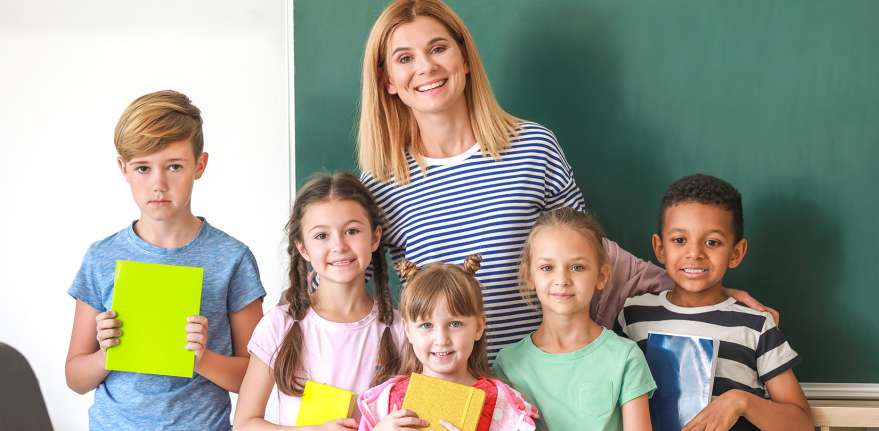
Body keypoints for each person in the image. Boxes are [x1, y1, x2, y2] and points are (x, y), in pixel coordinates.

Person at [355, 0, 777, 360]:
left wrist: (700, 292)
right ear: (388, 80)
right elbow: (342, 289)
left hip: (547, 379)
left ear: (464, 58)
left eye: (438, 48)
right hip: (451, 394)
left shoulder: (531, 146)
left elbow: (592, 254)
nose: (426, 67)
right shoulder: (382, 178)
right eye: (405, 58)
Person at [64, 90, 266, 430]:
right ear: (123, 168)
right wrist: (108, 354)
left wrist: (201, 359)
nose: (158, 184)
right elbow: (75, 377)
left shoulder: (233, 259)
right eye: (143, 168)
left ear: (199, 165)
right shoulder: (102, 258)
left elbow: (253, 376)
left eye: (174, 166)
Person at [615, 174, 813, 431]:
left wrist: (741, 401)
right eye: (679, 240)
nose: (695, 253)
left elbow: (802, 423)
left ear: (736, 253)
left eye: (712, 242)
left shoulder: (755, 325)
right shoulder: (633, 316)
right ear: (660, 247)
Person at [234, 173, 403, 430]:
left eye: (352, 231)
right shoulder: (280, 324)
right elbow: (245, 423)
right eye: (322, 236)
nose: (339, 246)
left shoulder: (400, 329)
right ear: (303, 248)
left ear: (375, 238)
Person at [494, 208, 656, 431]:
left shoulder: (625, 357)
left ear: (601, 276)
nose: (562, 279)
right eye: (547, 268)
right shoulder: (508, 364)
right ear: (529, 276)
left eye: (577, 267)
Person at [357, 255, 538, 431]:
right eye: (426, 325)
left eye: (455, 324)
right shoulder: (387, 400)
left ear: (478, 327)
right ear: (408, 331)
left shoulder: (501, 403)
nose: (442, 339)